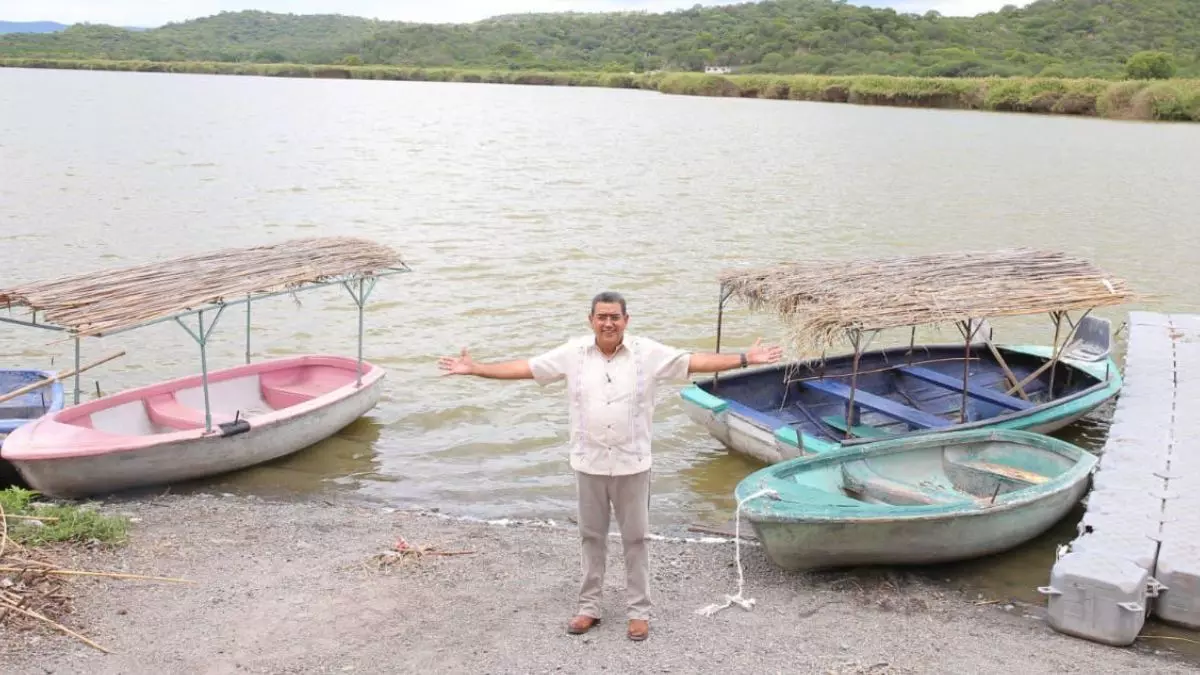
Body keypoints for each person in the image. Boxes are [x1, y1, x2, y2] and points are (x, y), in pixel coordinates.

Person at [437, 291, 783, 641]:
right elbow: (527, 368)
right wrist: (476, 368)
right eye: (601, 317)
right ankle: (589, 607)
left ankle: (639, 611)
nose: (608, 323)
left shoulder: (647, 353)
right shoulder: (573, 354)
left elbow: (693, 361)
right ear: (591, 321)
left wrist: (745, 358)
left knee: (636, 539)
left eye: (614, 317)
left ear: (626, 321)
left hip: (633, 463)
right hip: (588, 462)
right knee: (591, 538)